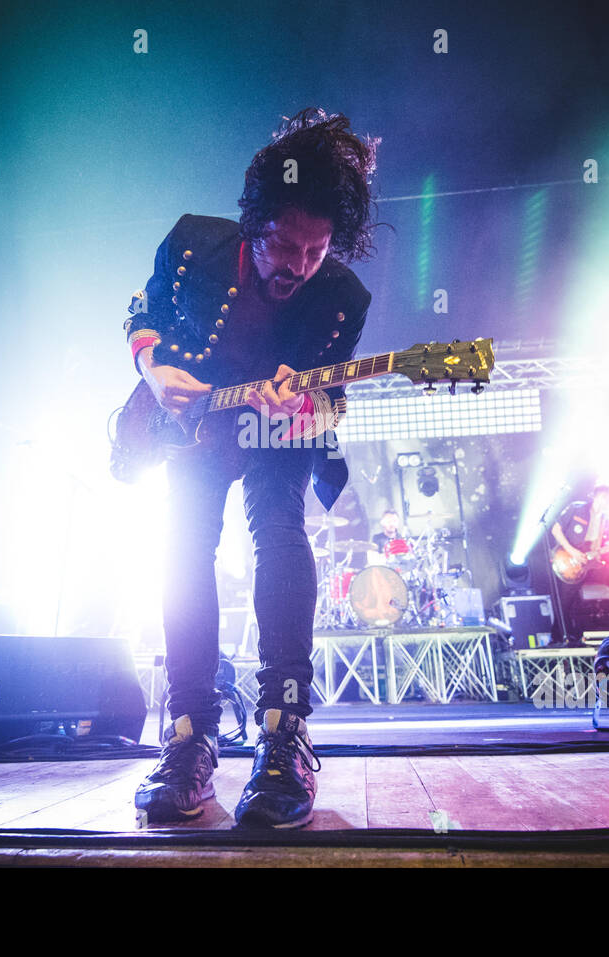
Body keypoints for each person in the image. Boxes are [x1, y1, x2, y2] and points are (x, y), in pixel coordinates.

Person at [125, 109, 380, 828]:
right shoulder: (190, 245)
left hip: (276, 431)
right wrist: (152, 369)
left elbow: (330, 405)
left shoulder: (341, 298)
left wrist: (303, 407)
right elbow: (140, 311)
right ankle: (189, 735)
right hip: (192, 428)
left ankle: (285, 730)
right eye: (282, 244)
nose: (298, 265)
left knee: (278, 529)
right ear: (253, 221)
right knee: (183, 547)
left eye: (317, 248)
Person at [550, 486, 609, 644]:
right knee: (565, 600)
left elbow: (595, 548)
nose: (606, 502)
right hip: (567, 557)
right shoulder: (577, 508)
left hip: (587, 562)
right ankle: (559, 637)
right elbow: (556, 530)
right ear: (596, 497)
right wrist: (572, 551)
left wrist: (606, 548)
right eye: (604, 498)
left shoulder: (604, 520)